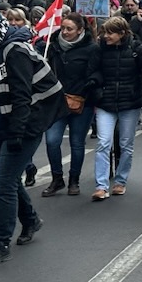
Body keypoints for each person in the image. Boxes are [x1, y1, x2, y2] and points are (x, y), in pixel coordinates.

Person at [0, 4, 63, 266]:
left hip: (21, 127)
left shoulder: (13, 50)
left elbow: (22, 95)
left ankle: (0, 244)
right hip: (0, 126)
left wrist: (18, 133)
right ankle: (31, 220)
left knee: (4, 185)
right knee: (7, 180)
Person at [87, 16, 142, 201]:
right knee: (103, 143)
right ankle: (101, 185)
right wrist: (97, 88)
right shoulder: (99, 50)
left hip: (129, 103)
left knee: (125, 145)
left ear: (122, 33)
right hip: (106, 102)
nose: (106, 36)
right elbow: (92, 71)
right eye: (104, 32)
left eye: (110, 32)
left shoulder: (137, 50)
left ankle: (120, 181)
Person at [41, 13, 97, 197]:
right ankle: (57, 178)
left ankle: (74, 180)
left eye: (69, 29)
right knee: (52, 141)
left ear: (80, 30)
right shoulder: (53, 46)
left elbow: (96, 73)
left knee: (76, 143)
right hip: (57, 102)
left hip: (82, 103)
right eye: (63, 28)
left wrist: (88, 88)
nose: (64, 32)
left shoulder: (91, 49)